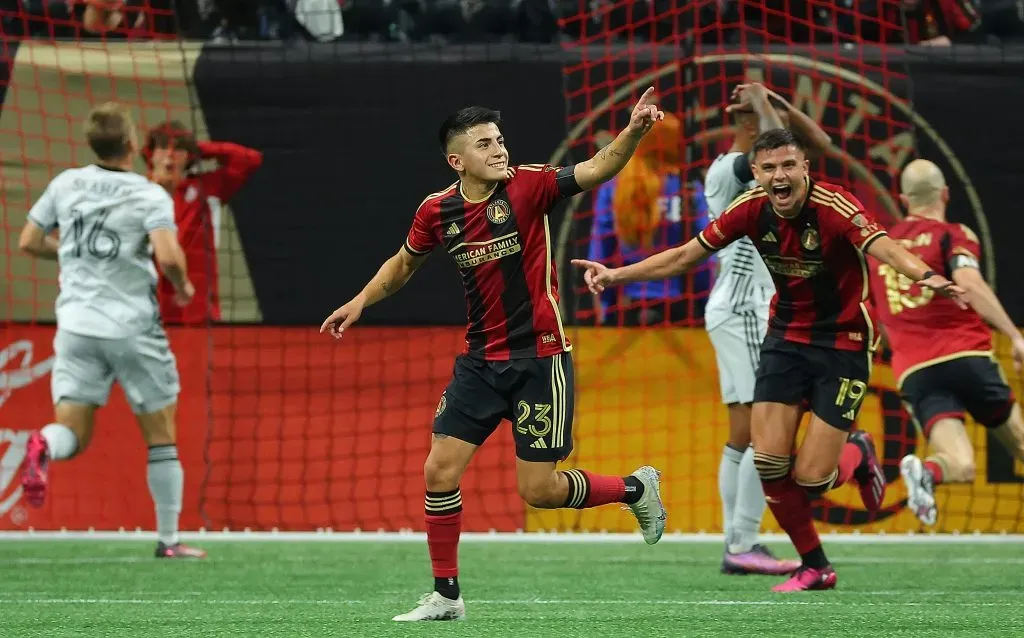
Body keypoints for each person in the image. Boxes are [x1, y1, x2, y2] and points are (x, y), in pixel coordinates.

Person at [320, 89, 669, 621]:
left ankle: (634, 488)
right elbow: (403, 263)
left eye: (500, 140)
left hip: (541, 358)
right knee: (438, 470)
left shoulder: (531, 185)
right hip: (480, 362)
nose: (499, 150)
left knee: (540, 491)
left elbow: (598, 168)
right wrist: (360, 300)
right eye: (485, 144)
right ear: (457, 160)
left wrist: (636, 129)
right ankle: (446, 596)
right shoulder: (436, 211)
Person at [573, 129, 967, 592]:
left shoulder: (835, 207)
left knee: (814, 479)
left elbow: (883, 246)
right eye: (769, 169)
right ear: (756, 174)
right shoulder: (749, 208)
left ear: (804, 169)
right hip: (784, 340)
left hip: (843, 344)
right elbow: (684, 256)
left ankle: (857, 453)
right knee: (768, 463)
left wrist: (926, 276)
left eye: (788, 166)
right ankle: (815, 564)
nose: (780, 176)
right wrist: (616, 274)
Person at [17, 103, 205, 559]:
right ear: (130, 146)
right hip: (131, 327)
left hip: (75, 326)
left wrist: (71, 253)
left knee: (72, 434)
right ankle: (168, 540)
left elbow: (28, 241)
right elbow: (170, 257)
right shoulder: (148, 194)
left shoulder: (65, 183)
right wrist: (182, 287)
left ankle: (42, 442)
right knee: (162, 432)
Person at [703, 82, 831, 576]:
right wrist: (763, 100)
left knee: (743, 434)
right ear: (752, 129)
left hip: (742, 310)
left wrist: (776, 101)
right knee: (766, 431)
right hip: (745, 308)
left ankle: (738, 543)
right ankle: (743, 542)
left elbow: (818, 147)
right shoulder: (728, 170)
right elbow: (782, 138)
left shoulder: (767, 163)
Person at [868, 159, 1024, 526]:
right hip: (966, 356)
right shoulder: (952, 233)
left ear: (904, 199)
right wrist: (1015, 336)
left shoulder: (881, 251)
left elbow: (881, 322)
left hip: (916, 371)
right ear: (946, 194)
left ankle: (927, 474)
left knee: (961, 464)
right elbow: (968, 283)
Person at [586, 111, 712, 326]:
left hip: (627, 305)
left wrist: (604, 310)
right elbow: (706, 254)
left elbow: (601, 250)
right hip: (681, 306)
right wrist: (705, 303)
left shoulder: (614, 187)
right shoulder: (687, 189)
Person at [144, 120, 263, 325]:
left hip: (197, 309)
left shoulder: (207, 188)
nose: (170, 154)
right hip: (149, 308)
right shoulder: (137, 194)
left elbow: (250, 159)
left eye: (178, 149)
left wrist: (199, 149)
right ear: (151, 154)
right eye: (163, 147)